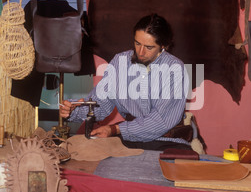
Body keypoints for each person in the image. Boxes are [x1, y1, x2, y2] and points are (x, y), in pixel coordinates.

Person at [60, 13, 193, 150]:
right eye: (137, 43)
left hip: (166, 140)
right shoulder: (120, 62)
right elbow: (100, 103)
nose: (140, 52)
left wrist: (116, 129)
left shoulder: (175, 69)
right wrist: (74, 110)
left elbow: (160, 122)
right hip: (129, 138)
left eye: (149, 47)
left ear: (163, 46)